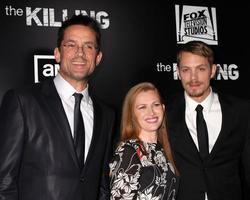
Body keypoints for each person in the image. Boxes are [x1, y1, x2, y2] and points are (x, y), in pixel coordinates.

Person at [0, 14, 115, 200]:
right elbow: (4, 182)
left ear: (98, 57)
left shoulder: (107, 115)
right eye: (71, 45)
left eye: (88, 46)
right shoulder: (23, 102)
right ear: (57, 53)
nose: (80, 53)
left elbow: (102, 185)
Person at [165, 40, 250, 200]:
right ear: (178, 72)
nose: (193, 78)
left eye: (201, 69)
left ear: (213, 70)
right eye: (186, 70)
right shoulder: (164, 112)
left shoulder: (240, 111)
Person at [109, 82, 179, 200]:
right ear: (132, 114)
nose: (151, 112)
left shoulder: (164, 149)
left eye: (155, 105)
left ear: (163, 108)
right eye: (142, 107)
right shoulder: (128, 151)